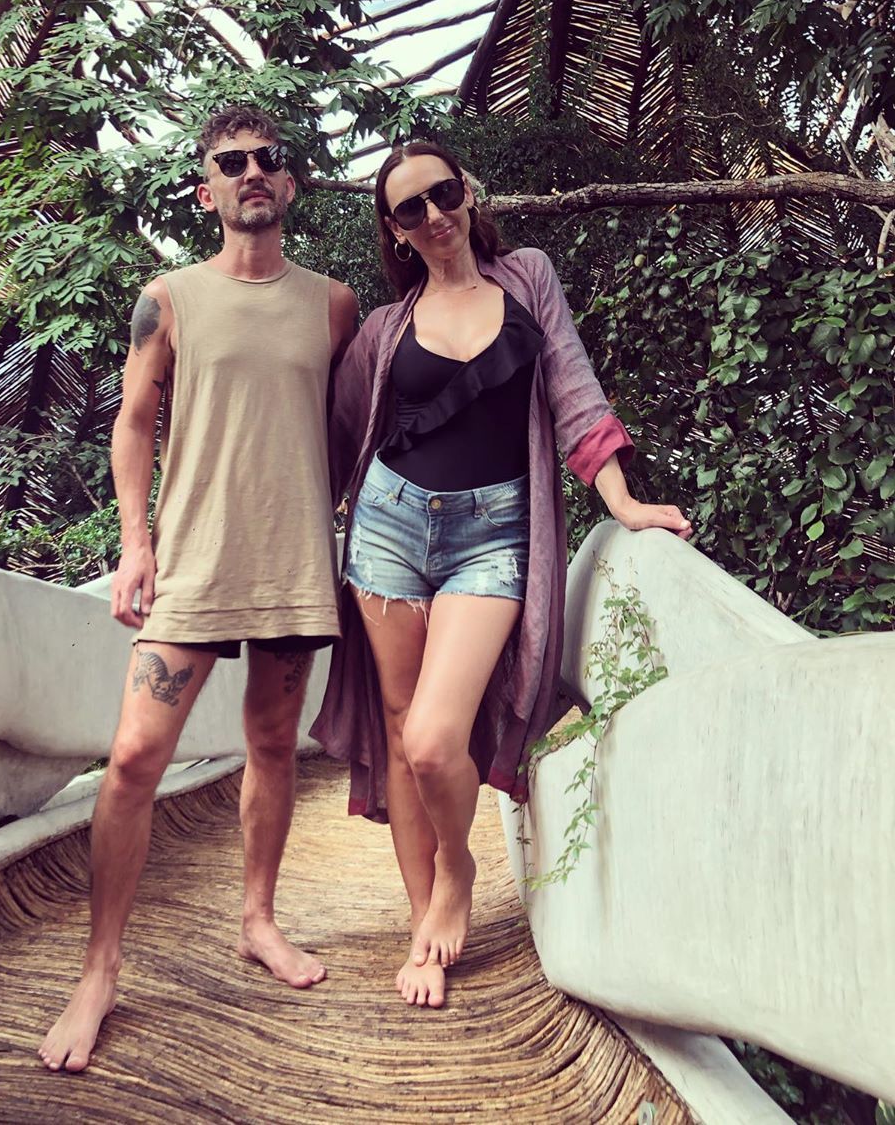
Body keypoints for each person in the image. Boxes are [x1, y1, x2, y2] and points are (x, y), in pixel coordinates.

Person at [311, 141, 691, 1010]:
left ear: (468, 193)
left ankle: (457, 870)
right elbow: (335, 441)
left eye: (443, 192)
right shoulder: (385, 329)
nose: (434, 214)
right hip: (387, 530)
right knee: (402, 730)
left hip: (492, 537)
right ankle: (423, 921)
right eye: (411, 208)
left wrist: (623, 500)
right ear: (395, 231)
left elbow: (573, 390)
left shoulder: (528, 278)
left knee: (434, 739)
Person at [40, 106, 359, 1072]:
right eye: (232, 162)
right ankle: (98, 971)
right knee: (134, 759)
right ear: (205, 189)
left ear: (289, 183)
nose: (251, 173)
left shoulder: (334, 304)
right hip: (193, 563)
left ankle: (258, 921)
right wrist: (135, 544)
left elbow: (349, 424)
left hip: (294, 562)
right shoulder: (169, 298)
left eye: (268, 160)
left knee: (273, 745)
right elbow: (134, 424)